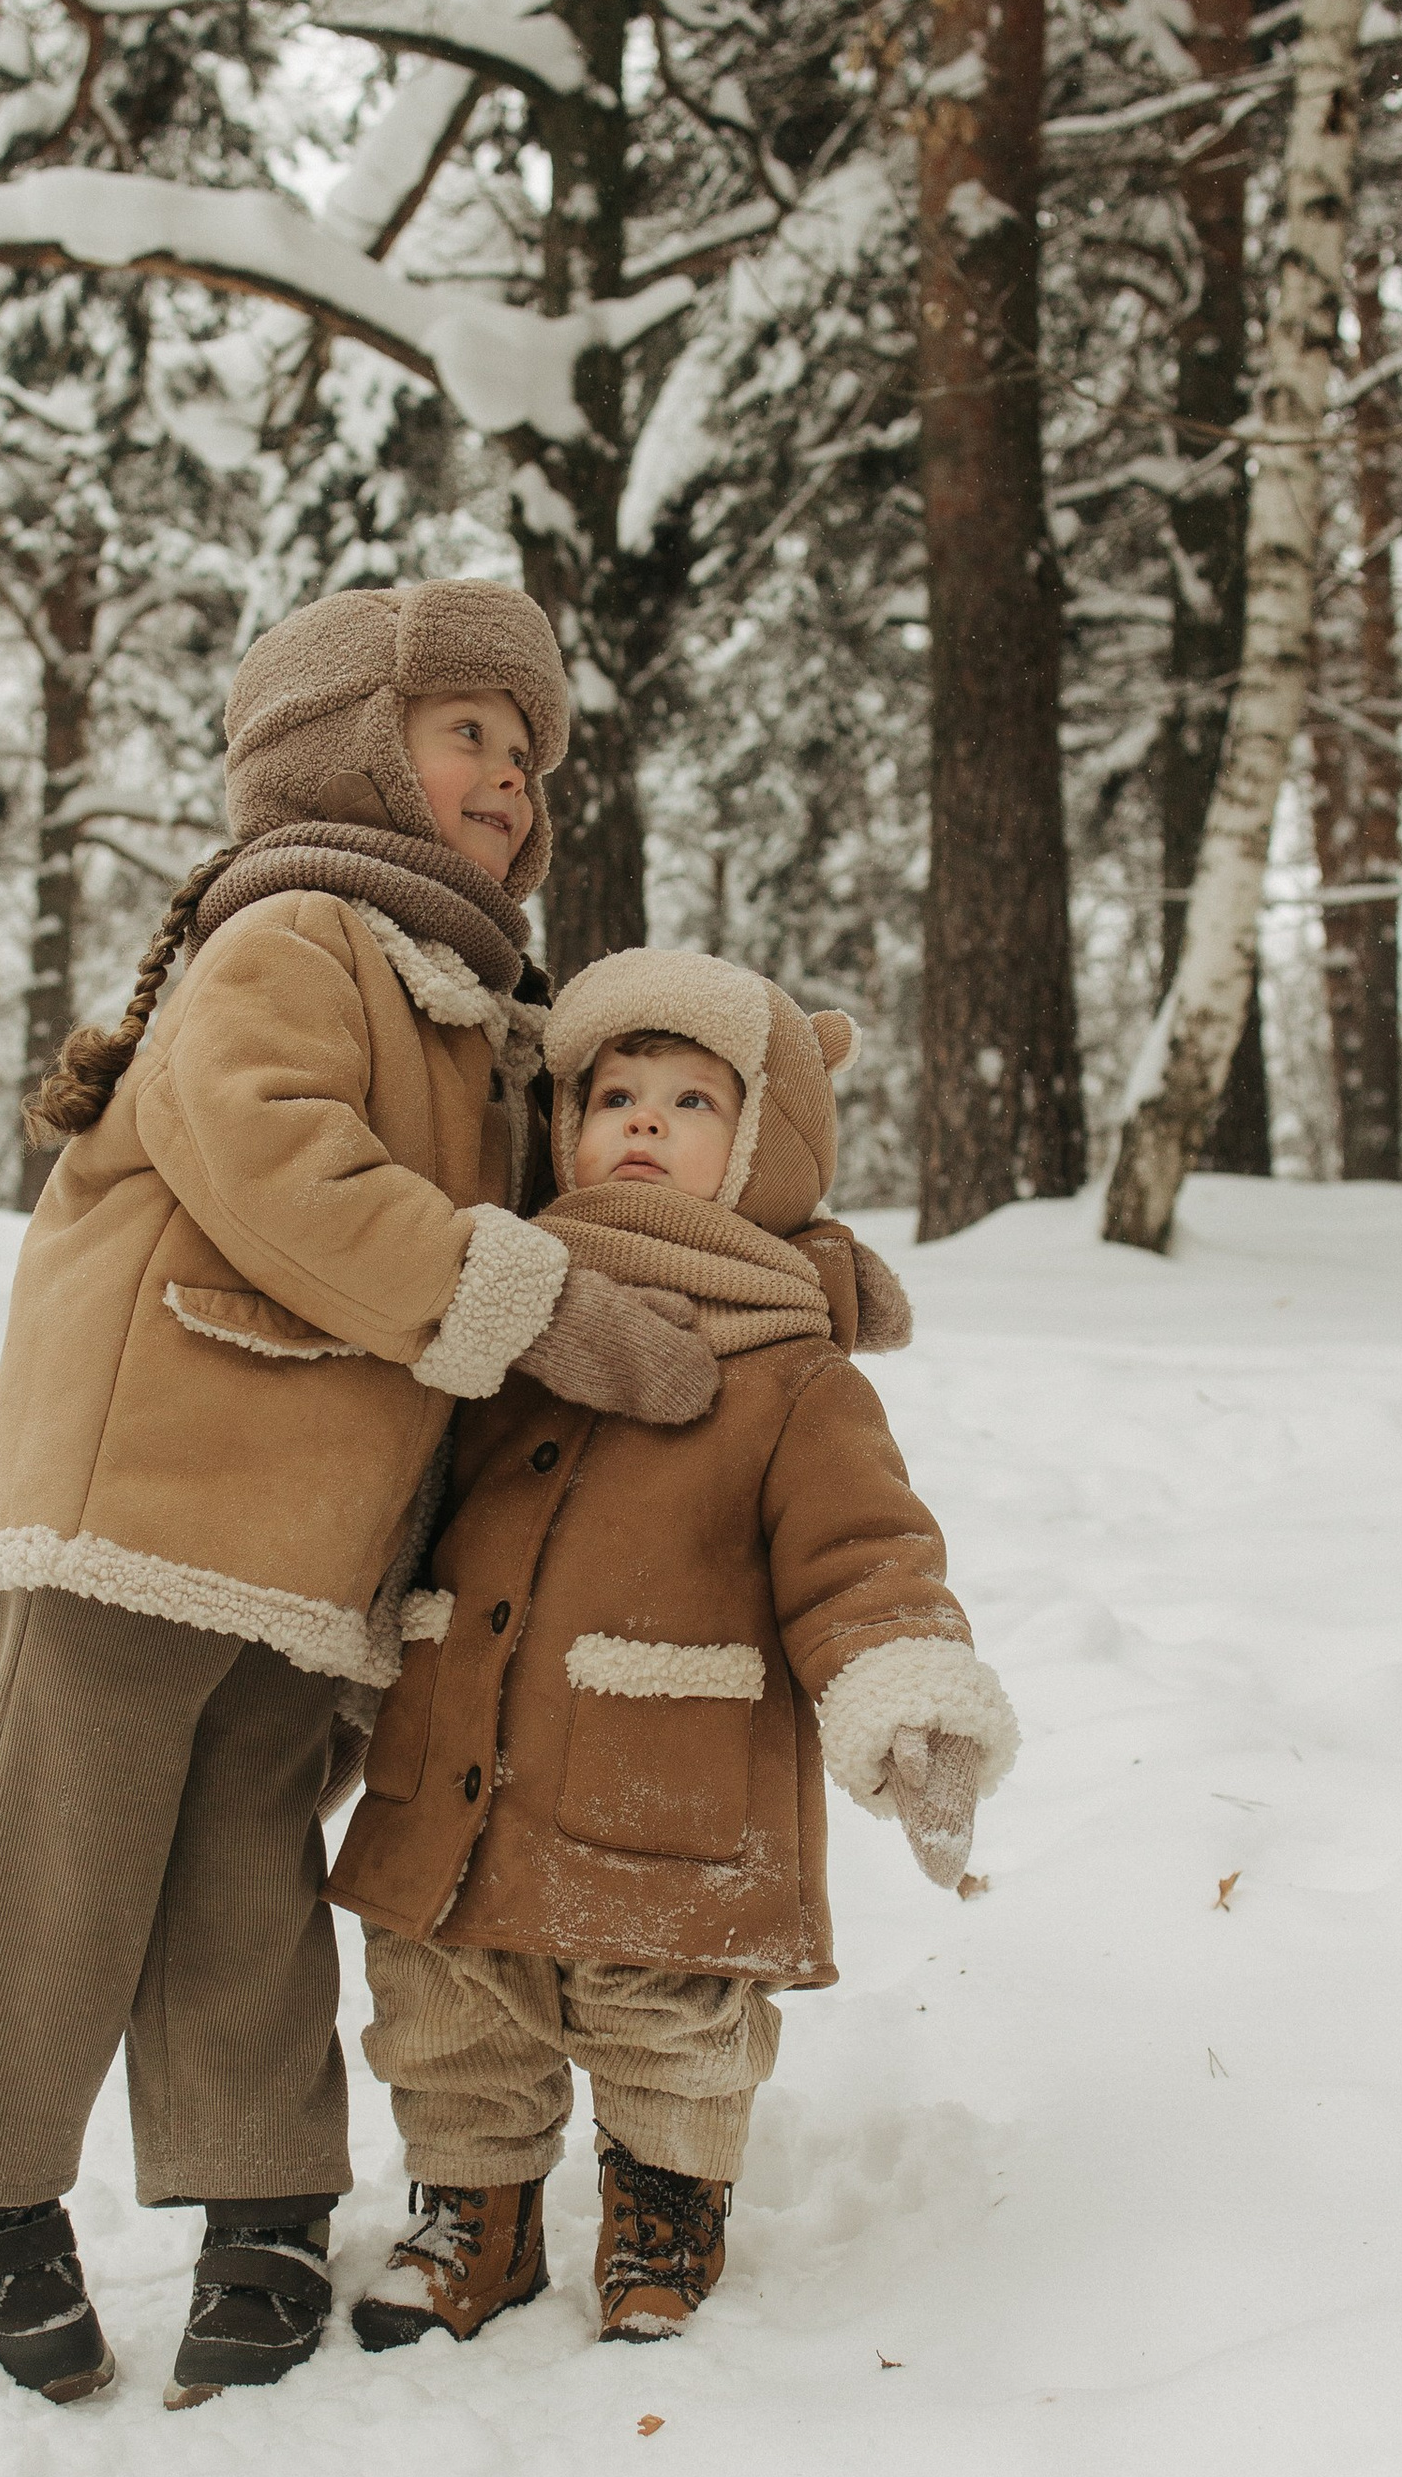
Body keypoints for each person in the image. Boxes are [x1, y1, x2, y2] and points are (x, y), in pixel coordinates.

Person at [0, 585, 717, 2410]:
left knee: (248, 1867)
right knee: (58, 1852)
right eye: (465, 736)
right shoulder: (291, 935)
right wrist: (540, 1308)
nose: (505, 778)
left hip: (313, 1541)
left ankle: (259, 2196)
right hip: (138, 1495)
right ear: (348, 743)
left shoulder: (485, 1008)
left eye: (525, 751)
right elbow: (280, 1167)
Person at [331, 947, 1018, 2350]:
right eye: (615, 1093)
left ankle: (664, 2204)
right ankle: (477, 2213)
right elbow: (389, 1505)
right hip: (462, 1754)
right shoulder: (501, 1315)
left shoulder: (792, 1374)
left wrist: (907, 1695)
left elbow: (863, 1557)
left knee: (671, 2020)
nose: (643, 1121)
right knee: (450, 2000)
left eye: (693, 1102)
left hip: (669, 1782)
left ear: (765, 1148)